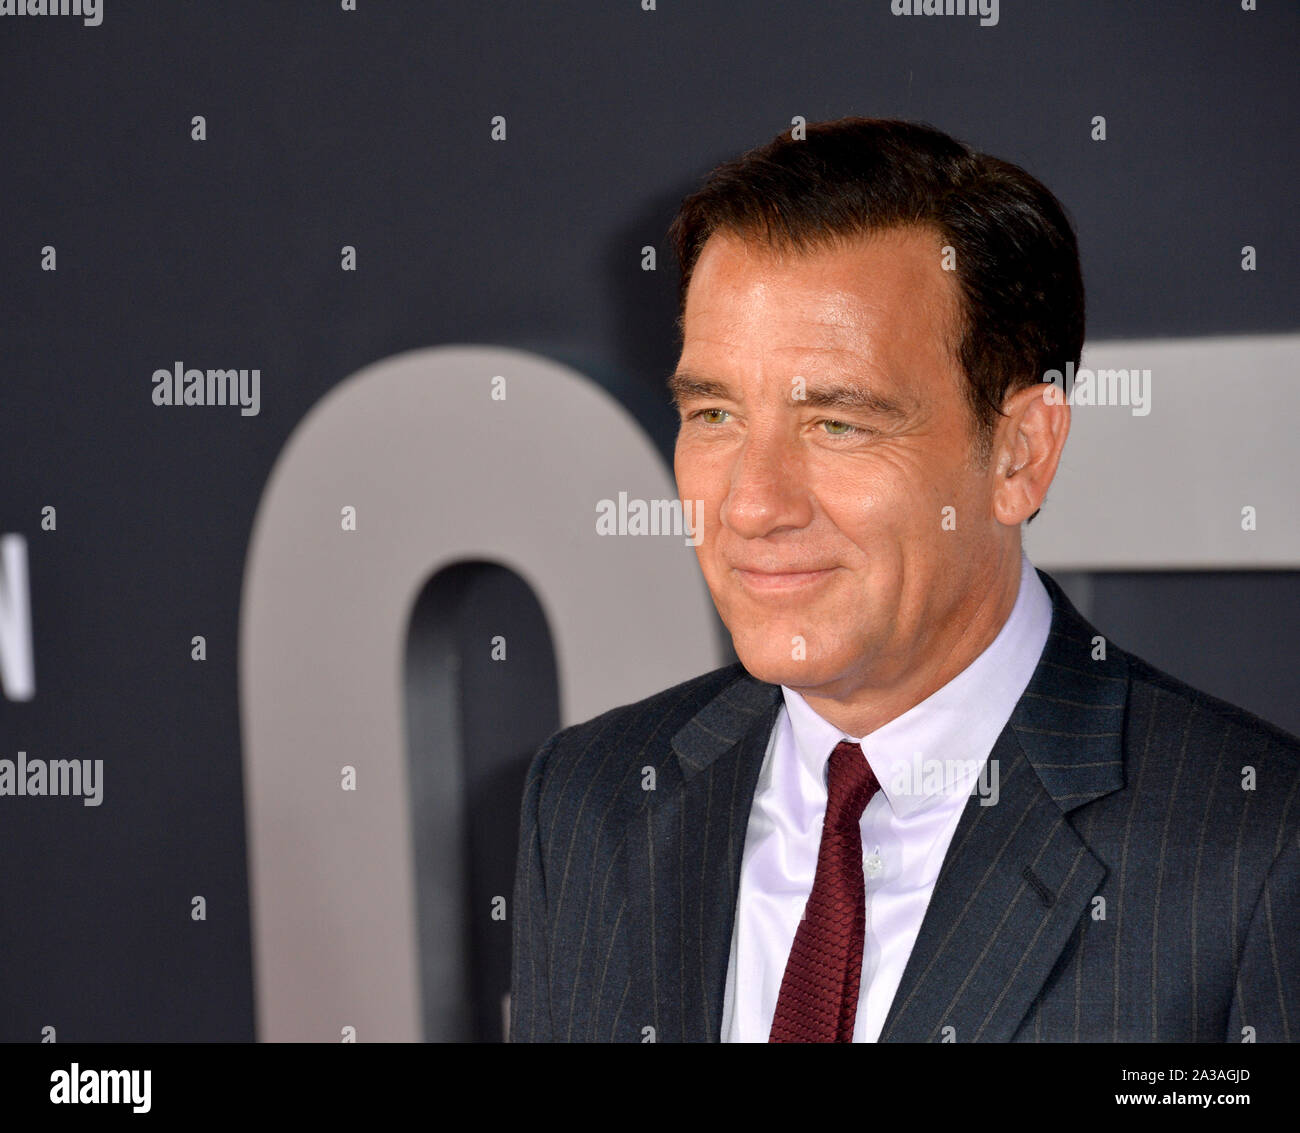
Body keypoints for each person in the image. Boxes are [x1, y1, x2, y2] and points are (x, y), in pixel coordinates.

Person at [509, 117, 1300, 1042]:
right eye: (715, 412)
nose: (754, 505)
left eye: (837, 425)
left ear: (1020, 453)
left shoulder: (1257, 854)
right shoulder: (592, 803)